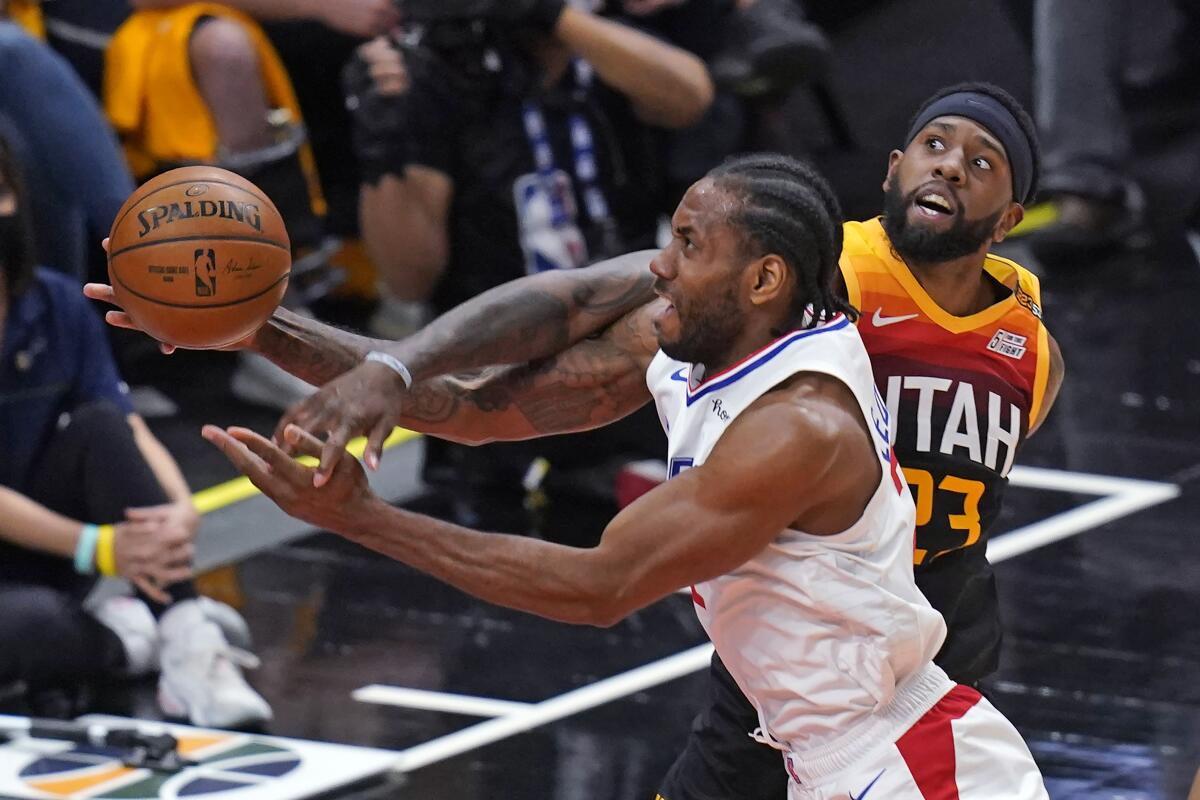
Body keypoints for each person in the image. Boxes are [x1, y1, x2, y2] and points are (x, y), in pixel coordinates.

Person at [188, 81, 1062, 796]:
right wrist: (277, 333)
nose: (656, 269)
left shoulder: (828, 408)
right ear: (893, 163)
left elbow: (597, 586)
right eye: (937, 142)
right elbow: (512, 370)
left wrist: (362, 518)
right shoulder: (745, 314)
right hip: (805, 714)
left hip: (902, 728)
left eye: (685, 244)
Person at [0, 132, 271, 728]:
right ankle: (127, 639)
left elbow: (124, 425)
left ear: (9, 197)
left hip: (45, 551)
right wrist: (95, 546)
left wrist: (181, 511)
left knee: (97, 426)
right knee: (30, 627)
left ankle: (184, 633)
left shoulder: (56, 304)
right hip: (47, 565)